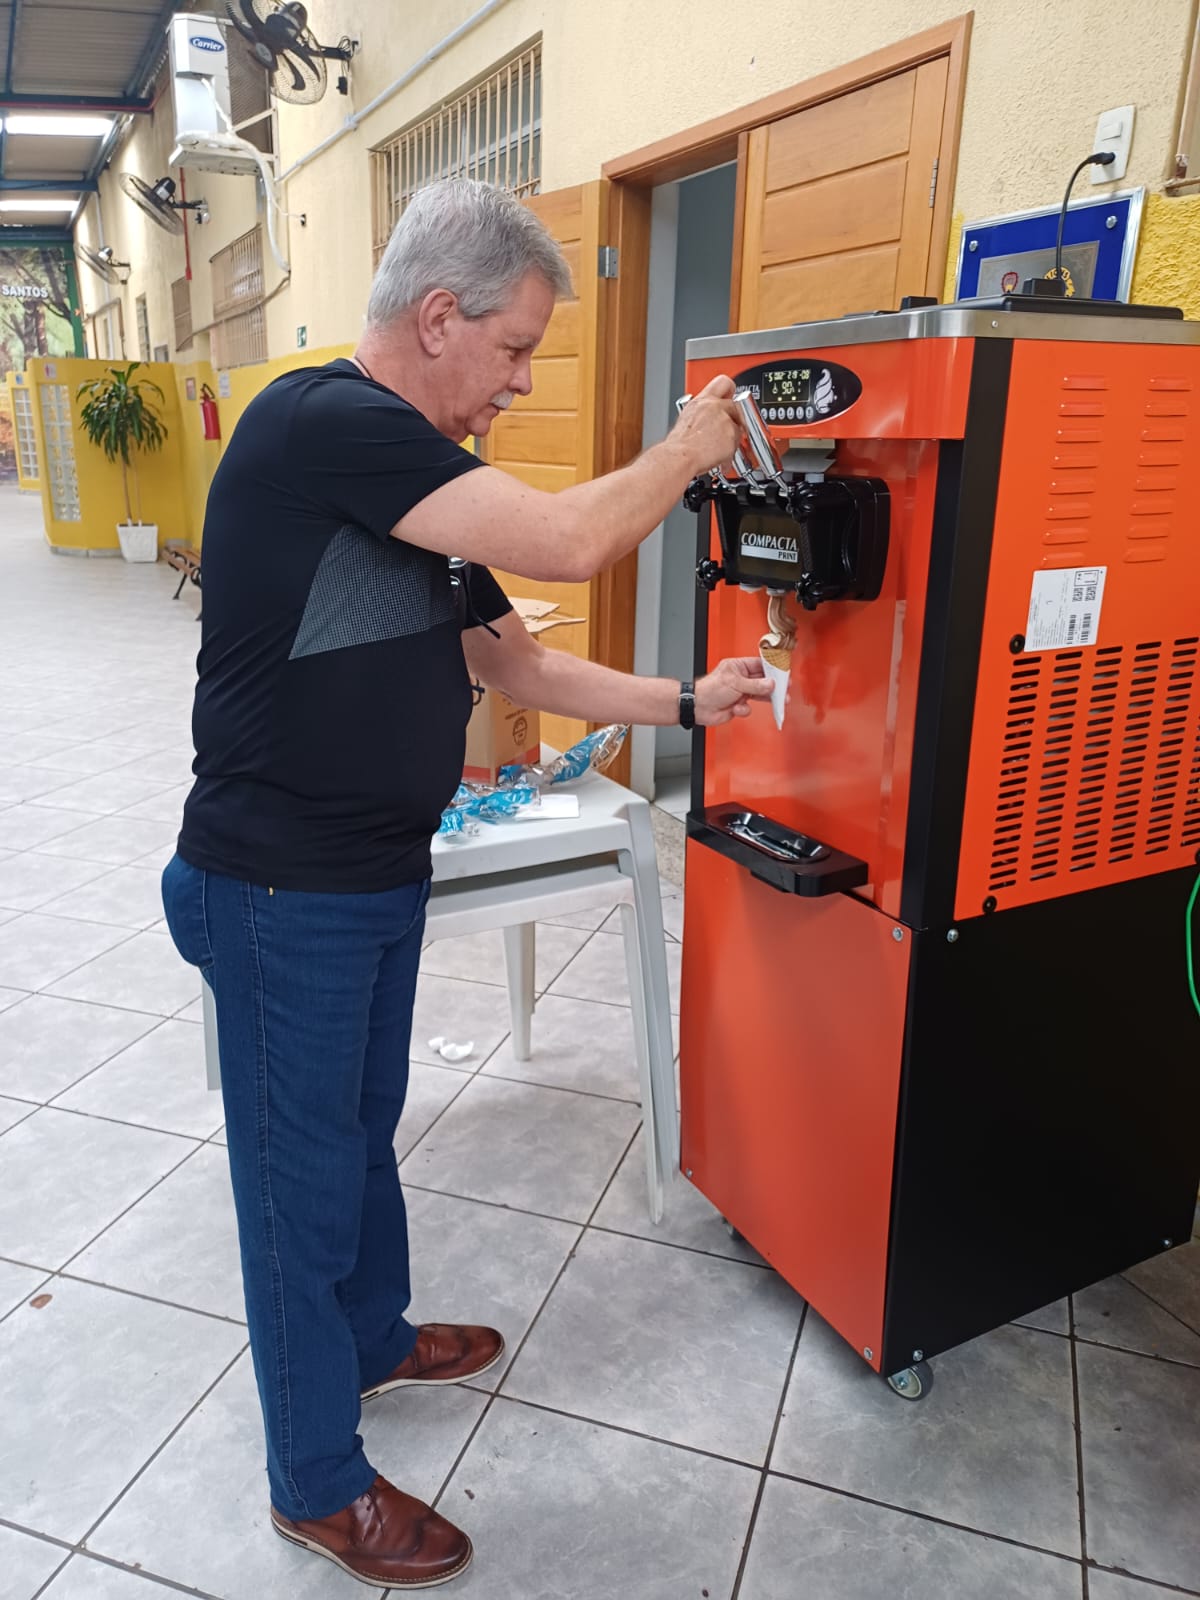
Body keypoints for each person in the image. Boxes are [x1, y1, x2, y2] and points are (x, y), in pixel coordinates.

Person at [161, 177, 771, 1590]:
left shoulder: (412, 486)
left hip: (369, 880)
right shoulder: (327, 425)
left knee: (359, 1138)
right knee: (297, 1189)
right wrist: (688, 445)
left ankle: (372, 1340)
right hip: (278, 893)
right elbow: (570, 541)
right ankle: (316, 1484)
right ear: (438, 317)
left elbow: (517, 662)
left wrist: (692, 700)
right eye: (514, 350)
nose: (520, 383)